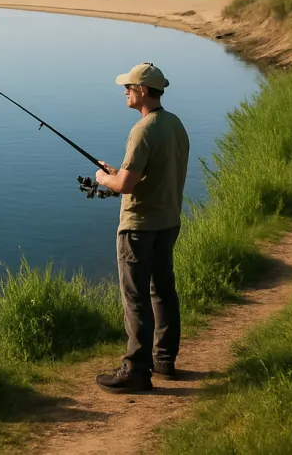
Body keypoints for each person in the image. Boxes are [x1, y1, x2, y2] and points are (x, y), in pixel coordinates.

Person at [92, 62, 190, 393]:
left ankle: (136, 370)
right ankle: (164, 360)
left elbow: (126, 185)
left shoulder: (143, 130)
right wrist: (118, 172)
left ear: (143, 91)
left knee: (135, 298)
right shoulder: (174, 125)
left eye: (129, 88)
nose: (125, 92)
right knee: (162, 291)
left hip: (139, 226)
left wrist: (105, 178)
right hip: (168, 221)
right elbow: (151, 173)